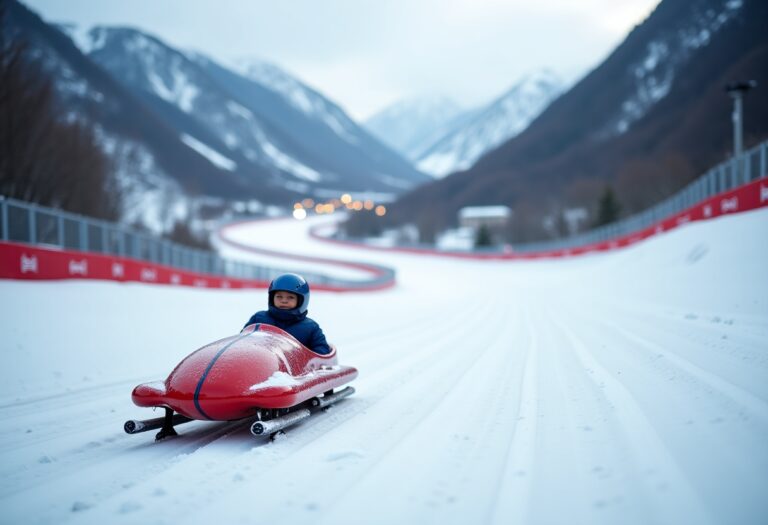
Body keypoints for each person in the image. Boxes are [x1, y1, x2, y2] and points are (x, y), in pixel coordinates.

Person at [243, 273, 331, 355]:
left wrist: (304, 359)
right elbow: (242, 342)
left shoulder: (311, 327)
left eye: (290, 297)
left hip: (295, 369)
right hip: (261, 365)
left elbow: (321, 351)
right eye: (279, 296)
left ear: (301, 301)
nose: (284, 300)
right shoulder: (259, 318)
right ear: (271, 298)